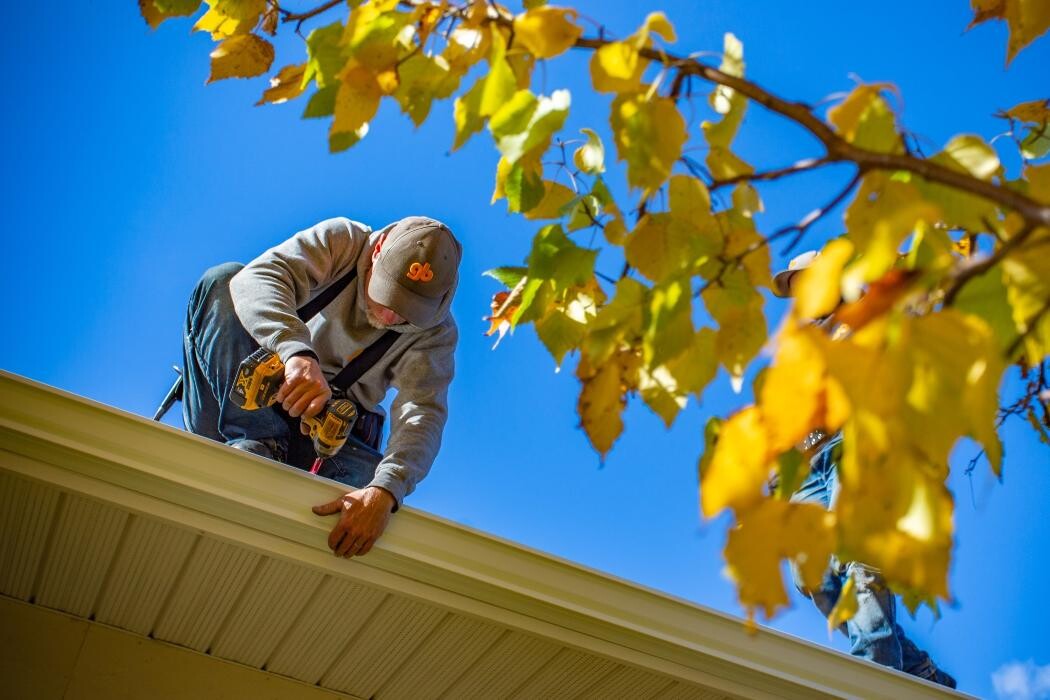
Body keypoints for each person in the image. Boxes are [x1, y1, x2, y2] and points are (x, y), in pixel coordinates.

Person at [182, 216, 461, 558]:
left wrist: (387, 490)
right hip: (243, 401)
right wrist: (296, 352)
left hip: (325, 446)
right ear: (376, 251)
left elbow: (422, 413)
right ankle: (256, 443)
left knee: (370, 505)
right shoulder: (340, 241)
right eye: (388, 294)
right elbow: (257, 278)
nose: (390, 316)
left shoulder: (436, 334)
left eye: (408, 309)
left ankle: (277, 455)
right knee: (222, 280)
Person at [773, 251, 956, 689]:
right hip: (805, 467)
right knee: (811, 574)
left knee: (857, 555)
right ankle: (913, 665)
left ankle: (875, 675)